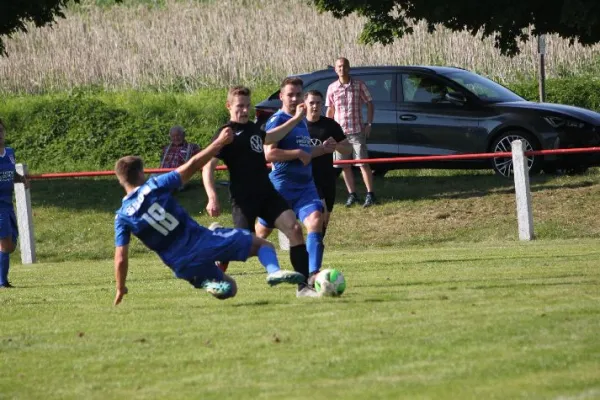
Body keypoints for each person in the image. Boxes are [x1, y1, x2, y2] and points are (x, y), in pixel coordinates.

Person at [113, 128, 304, 305]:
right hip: (201, 241)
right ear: (140, 173)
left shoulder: (121, 217)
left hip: (180, 263)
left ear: (121, 180)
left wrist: (120, 287)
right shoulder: (154, 186)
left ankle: (206, 284)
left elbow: (121, 257)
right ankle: (274, 272)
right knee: (264, 245)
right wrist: (218, 142)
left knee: (229, 289)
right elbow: (193, 164)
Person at [202, 85, 322, 298]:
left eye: (248, 106)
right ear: (229, 106)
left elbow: (271, 136)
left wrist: (295, 119)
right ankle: (219, 237)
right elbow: (207, 166)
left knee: (294, 229)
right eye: (240, 106)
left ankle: (304, 287)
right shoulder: (226, 133)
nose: (245, 110)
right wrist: (212, 197)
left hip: (267, 193)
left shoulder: (254, 128)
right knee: (244, 247)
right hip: (244, 198)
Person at [254, 77, 337, 285]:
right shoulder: (277, 121)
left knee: (316, 220)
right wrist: (297, 152)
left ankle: (313, 274)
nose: (294, 98)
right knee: (258, 235)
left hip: (305, 188)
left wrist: (322, 149)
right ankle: (224, 252)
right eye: (290, 94)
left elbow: (305, 153)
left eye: (298, 94)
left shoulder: (301, 121)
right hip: (280, 187)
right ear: (281, 97)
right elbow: (269, 154)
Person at [326, 57, 377, 208]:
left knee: (363, 163)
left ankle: (370, 194)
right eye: (339, 67)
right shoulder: (332, 88)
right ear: (336, 69)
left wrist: (369, 123)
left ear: (349, 68)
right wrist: (329, 129)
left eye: (344, 66)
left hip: (356, 131)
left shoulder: (358, 85)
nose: (342, 69)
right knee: (344, 165)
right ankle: (352, 194)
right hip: (340, 133)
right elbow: (330, 109)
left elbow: (369, 103)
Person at [304, 90, 351, 237]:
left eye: (318, 103)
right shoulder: (298, 126)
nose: (315, 106)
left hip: (327, 176)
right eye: (311, 103)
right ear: (305, 104)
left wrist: (335, 145)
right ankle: (311, 249)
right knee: (320, 210)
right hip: (307, 178)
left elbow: (348, 148)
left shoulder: (330, 125)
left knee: (325, 218)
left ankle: (316, 247)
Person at [0, 119, 29, 289]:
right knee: (4, 243)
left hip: (8, 205)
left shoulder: (10, 152)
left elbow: (11, 173)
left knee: (10, 246)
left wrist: (21, 179)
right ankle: (3, 282)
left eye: (1, 130)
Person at [159, 125, 201, 190]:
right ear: (170, 137)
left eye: (178, 135)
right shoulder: (166, 148)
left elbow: (201, 161)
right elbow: (161, 164)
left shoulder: (192, 147)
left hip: (180, 175)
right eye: (173, 136)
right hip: (164, 174)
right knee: (152, 179)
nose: (176, 138)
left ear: (184, 135)